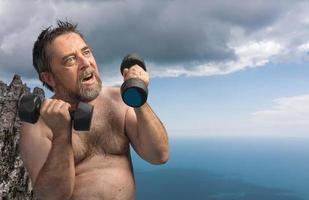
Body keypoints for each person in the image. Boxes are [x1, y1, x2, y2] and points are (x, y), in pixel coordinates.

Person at [19, 20, 169, 200]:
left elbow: (159, 155)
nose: (85, 63)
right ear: (49, 78)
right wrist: (61, 134)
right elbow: (53, 196)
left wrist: (138, 98)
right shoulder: (38, 125)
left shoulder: (119, 101)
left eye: (86, 52)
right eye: (70, 60)